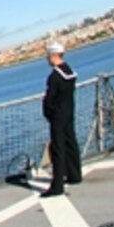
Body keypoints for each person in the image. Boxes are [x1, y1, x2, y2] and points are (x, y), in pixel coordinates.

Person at [41, 42, 83, 197]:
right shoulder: (69, 72)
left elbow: (50, 99)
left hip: (58, 115)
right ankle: (75, 174)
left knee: (58, 148)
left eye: (48, 56)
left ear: (53, 55)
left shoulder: (54, 76)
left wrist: (47, 110)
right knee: (71, 142)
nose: (47, 59)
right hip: (69, 111)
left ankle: (57, 185)